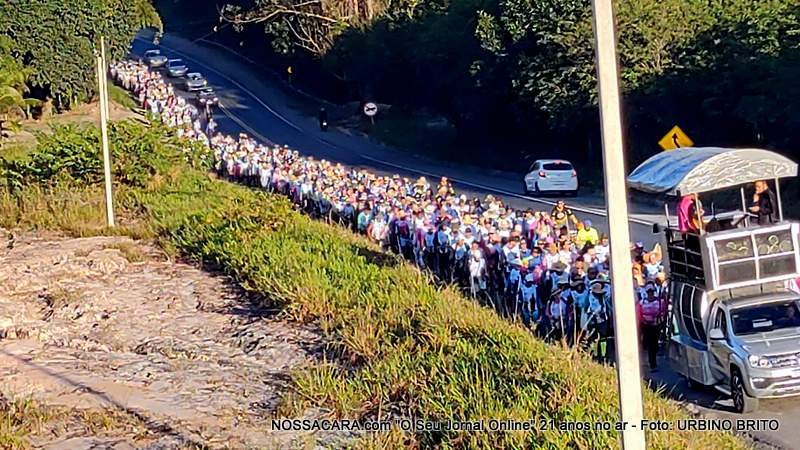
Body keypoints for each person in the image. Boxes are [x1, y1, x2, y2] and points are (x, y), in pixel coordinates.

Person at [637, 284, 667, 371]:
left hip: (656, 325)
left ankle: (654, 356)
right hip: (646, 326)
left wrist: (658, 318)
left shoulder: (660, 302)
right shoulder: (642, 303)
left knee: (655, 343)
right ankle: (652, 364)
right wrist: (644, 321)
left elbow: (663, 312)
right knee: (651, 345)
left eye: (652, 292)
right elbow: (639, 314)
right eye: (648, 292)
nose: (650, 293)